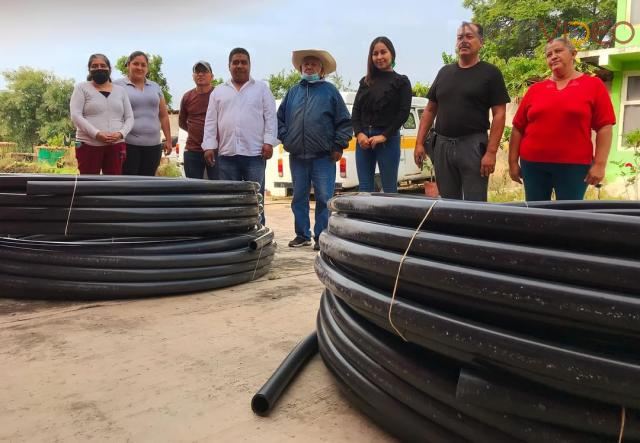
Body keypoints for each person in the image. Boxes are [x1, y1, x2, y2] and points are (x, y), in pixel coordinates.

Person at [509, 37, 615, 201]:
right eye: (549, 54)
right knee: (536, 215)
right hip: (533, 165)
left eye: (558, 51)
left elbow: (605, 127)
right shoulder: (535, 89)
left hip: (574, 167)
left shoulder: (593, 85)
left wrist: (600, 164)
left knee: (569, 215)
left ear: (573, 54)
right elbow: (517, 128)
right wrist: (513, 163)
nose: (553, 56)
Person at [414, 22, 510, 201]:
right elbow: (429, 110)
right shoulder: (444, 72)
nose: (463, 41)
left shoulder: (491, 73)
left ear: (481, 42)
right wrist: (419, 142)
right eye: (460, 38)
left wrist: (491, 152)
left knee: (475, 203)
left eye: (469, 36)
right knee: (448, 203)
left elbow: (499, 114)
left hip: (473, 146)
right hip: (442, 145)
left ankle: (475, 230)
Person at [277, 49, 352, 250]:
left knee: (324, 197)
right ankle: (302, 234)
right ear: (301, 68)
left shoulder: (330, 91)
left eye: (313, 64)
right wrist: (286, 137)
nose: (309, 66)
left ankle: (321, 236)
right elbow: (280, 119)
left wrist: (338, 145)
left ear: (321, 70)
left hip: (323, 156)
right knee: (299, 196)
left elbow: (344, 122)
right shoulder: (292, 92)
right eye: (305, 64)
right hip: (297, 156)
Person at [202, 48, 277, 225]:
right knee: (230, 199)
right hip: (227, 154)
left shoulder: (261, 89)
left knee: (254, 198)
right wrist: (209, 146)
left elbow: (271, 117)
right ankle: (234, 235)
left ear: (249, 65)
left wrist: (269, 142)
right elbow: (211, 121)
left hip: (255, 154)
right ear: (229, 66)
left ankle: (258, 233)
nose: (240, 65)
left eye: (243, 62)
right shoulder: (219, 91)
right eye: (235, 62)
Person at [351, 36, 412, 193]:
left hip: (387, 139)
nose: (379, 57)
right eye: (375, 53)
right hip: (363, 140)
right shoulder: (365, 82)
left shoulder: (401, 81)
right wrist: (359, 134)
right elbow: (356, 111)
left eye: (383, 52)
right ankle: (366, 218)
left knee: (389, 189)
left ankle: (388, 218)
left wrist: (384, 135)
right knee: (365, 188)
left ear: (392, 53)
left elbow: (403, 113)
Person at [70, 53, 133, 175]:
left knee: (113, 184)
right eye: (95, 66)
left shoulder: (121, 91)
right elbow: (76, 115)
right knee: (88, 183)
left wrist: (121, 133)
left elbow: (130, 117)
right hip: (88, 144)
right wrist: (96, 134)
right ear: (89, 70)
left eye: (103, 65)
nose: (99, 68)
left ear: (109, 68)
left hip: (116, 145)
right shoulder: (81, 88)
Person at [114, 51, 172, 176]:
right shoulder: (117, 85)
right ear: (128, 65)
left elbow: (163, 115)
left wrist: (168, 139)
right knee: (129, 183)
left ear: (147, 68)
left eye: (143, 65)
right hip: (128, 144)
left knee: (148, 183)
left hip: (154, 145)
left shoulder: (155, 87)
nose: (139, 67)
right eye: (136, 64)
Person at [179, 60, 219, 179]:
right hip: (193, 150)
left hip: (216, 150)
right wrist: (195, 131)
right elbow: (182, 122)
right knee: (193, 190)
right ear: (193, 76)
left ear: (211, 76)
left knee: (217, 189)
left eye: (204, 71)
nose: (200, 74)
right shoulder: (187, 97)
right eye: (197, 72)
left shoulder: (219, 95)